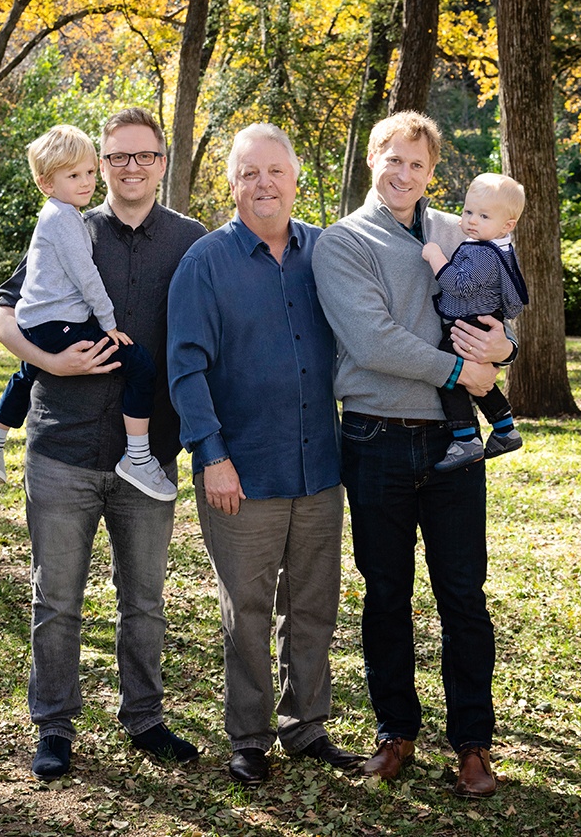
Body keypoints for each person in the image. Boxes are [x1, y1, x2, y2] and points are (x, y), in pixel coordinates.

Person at [0, 107, 206, 782]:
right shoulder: (64, 224)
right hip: (63, 449)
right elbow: (4, 319)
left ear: (162, 162)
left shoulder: (193, 241)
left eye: (143, 155)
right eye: (117, 157)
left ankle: (143, 718)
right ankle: (53, 726)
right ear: (101, 163)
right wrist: (49, 363)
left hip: (149, 458)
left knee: (142, 600)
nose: (130, 167)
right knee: (56, 598)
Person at [312, 111, 517, 799]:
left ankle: (472, 746)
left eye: (417, 165)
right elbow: (371, 343)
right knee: (386, 595)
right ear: (373, 159)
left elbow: (492, 309)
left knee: (462, 595)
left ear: (433, 173)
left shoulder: (453, 231)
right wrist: (462, 373)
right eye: (392, 160)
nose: (404, 175)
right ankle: (395, 733)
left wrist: (502, 348)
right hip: (373, 439)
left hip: (452, 447)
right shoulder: (341, 243)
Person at [167, 123, 362, 787]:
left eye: (274, 170)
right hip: (240, 472)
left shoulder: (327, 252)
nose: (263, 184)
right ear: (231, 183)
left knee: (312, 603)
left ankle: (305, 725)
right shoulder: (205, 261)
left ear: (295, 178)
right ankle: (248, 736)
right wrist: (211, 455)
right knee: (244, 610)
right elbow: (185, 368)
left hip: (318, 467)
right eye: (249, 172)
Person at [0, 124, 175, 501]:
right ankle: (138, 456)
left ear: (162, 163)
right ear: (46, 182)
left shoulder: (184, 236)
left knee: (24, 374)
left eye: (85, 173)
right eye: (73, 175)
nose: (84, 183)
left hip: (40, 323)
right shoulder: (68, 221)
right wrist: (108, 325)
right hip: (58, 337)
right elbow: (86, 278)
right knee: (139, 364)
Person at [421, 171, 529, 472]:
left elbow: (460, 285)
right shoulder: (494, 248)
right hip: (477, 322)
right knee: (478, 381)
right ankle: (505, 429)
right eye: (468, 211)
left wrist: (434, 256)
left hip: (469, 324)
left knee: (451, 377)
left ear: (507, 226)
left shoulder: (482, 253)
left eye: (483, 216)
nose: (471, 220)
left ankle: (466, 438)